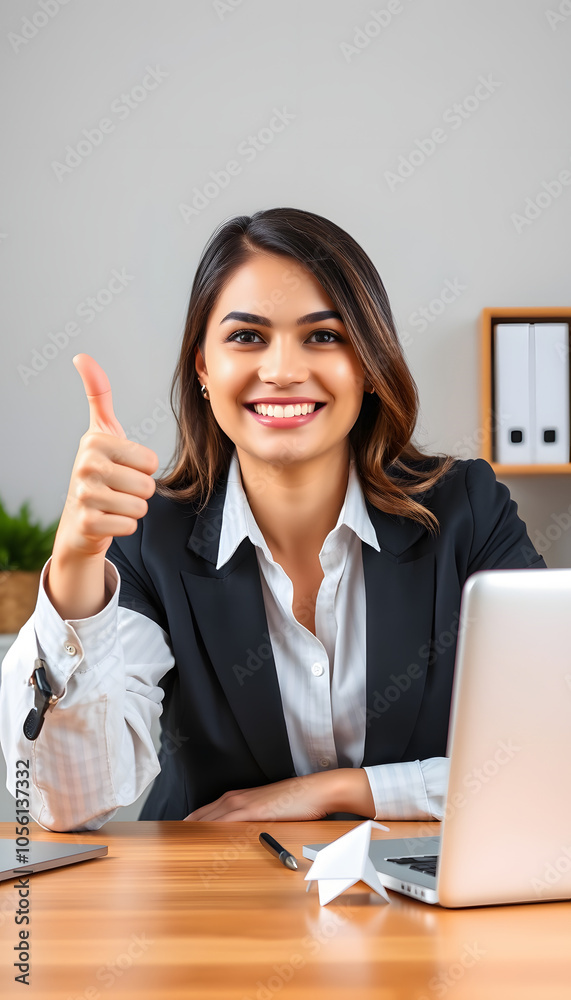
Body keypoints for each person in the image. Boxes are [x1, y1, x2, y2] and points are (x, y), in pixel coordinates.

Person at [0, 207, 546, 832]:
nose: (283, 371)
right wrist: (73, 568)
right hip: (211, 902)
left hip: (420, 908)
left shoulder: (465, 511)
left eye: (323, 335)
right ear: (203, 368)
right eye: (246, 336)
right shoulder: (151, 539)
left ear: (367, 365)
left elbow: (547, 754)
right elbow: (68, 805)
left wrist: (333, 793)